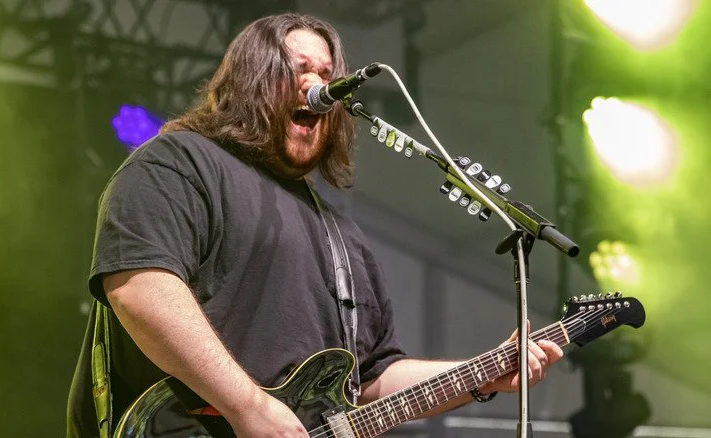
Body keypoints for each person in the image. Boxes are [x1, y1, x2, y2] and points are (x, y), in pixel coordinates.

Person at [66, 12, 563, 437]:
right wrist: (249, 406)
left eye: (326, 73)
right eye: (298, 69)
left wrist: (479, 374)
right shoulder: (179, 162)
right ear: (252, 80)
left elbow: (372, 380)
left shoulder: (342, 237)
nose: (318, 86)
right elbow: (141, 288)